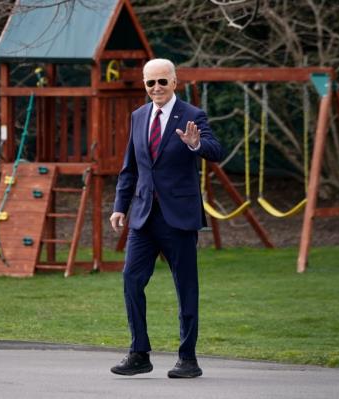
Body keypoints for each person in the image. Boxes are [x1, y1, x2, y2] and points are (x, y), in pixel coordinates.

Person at [109, 58, 224, 378]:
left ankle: (188, 358)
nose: (156, 88)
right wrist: (120, 206)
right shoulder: (138, 116)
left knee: (186, 288)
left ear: (175, 82)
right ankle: (139, 353)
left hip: (179, 217)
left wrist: (196, 143)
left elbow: (216, 150)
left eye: (162, 81)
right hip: (143, 218)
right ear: (145, 86)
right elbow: (130, 168)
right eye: (150, 83)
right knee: (131, 280)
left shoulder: (192, 115)